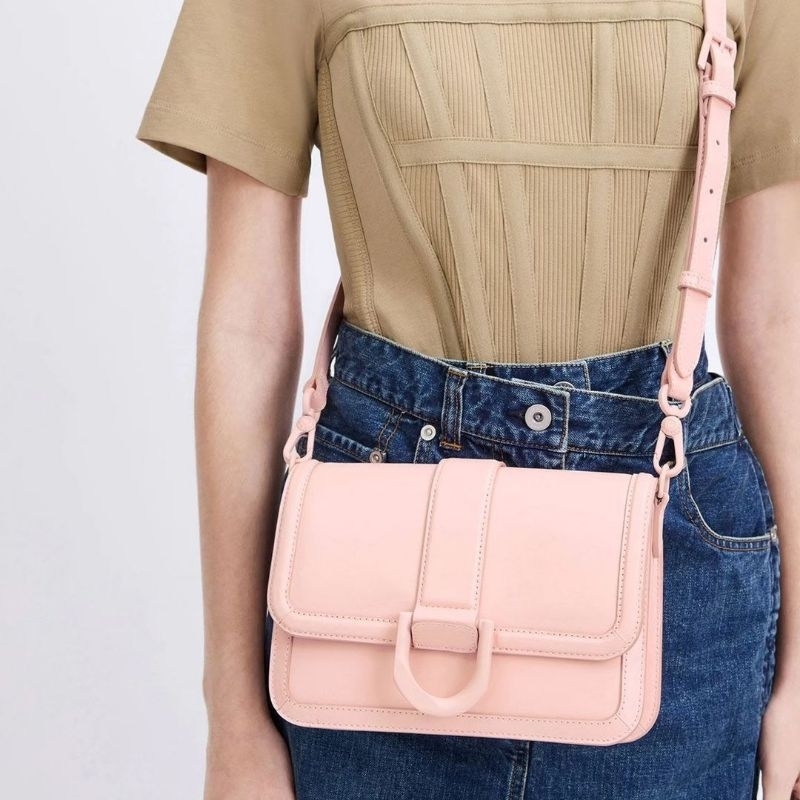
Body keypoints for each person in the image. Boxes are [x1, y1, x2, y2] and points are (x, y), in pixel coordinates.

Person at [135, 0, 800, 797]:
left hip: (678, 582)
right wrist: (234, 713)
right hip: (372, 582)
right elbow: (247, 325)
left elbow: (778, 318)